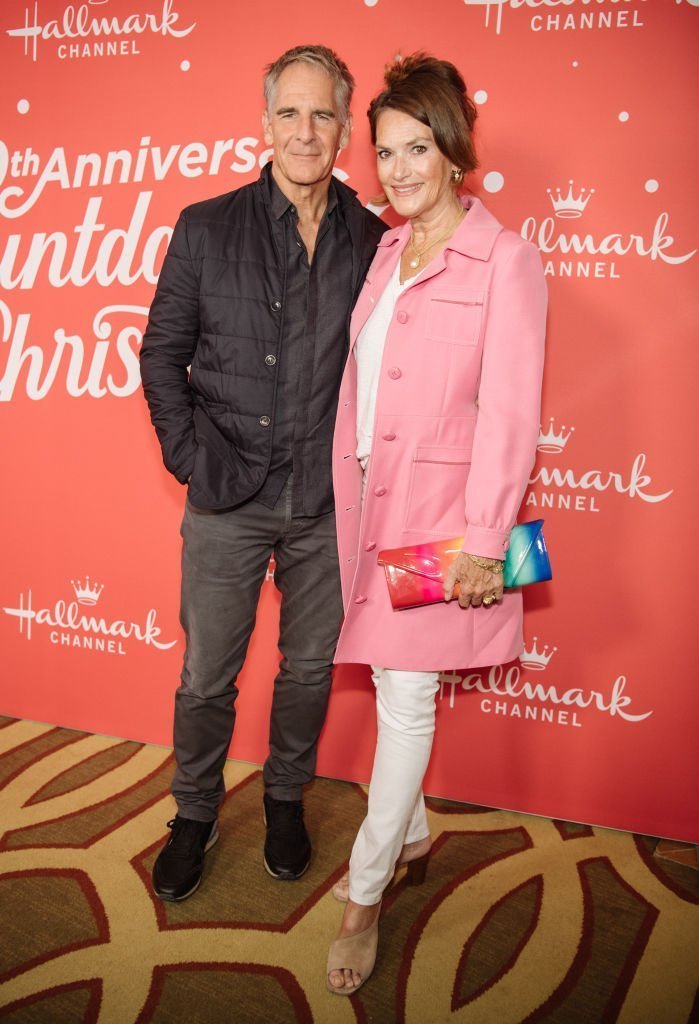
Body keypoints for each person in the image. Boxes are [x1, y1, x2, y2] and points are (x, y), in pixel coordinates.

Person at [139, 45, 385, 902]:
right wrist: (189, 456)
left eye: (323, 115)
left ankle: (286, 799)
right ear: (264, 121)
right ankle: (195, 813)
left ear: (346, 129)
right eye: (290, 112)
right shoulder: (206, 226)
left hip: (327, 507)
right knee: (207, 675)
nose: (306, 131)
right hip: (227, 497)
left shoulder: (373, 239)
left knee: (308, 671)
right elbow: (161, 355)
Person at [326, 54, 547, 993]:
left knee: (405, 700)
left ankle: (364, 896)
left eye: (417, 147)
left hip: (442, 522)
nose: (400, 169)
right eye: (384, 152)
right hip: (370, 504)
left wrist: (488, 542)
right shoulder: (384, 250)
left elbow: (509, 412)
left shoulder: (505, 258)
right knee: (388, 682)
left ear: (454, 150)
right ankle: (413, 833)